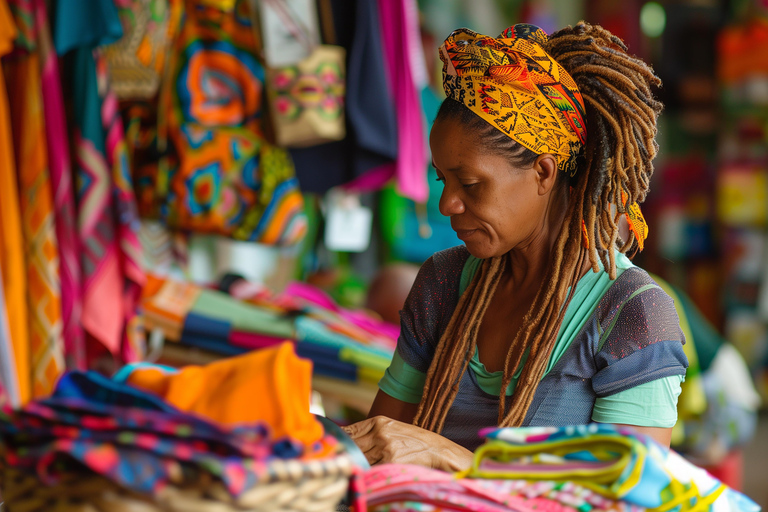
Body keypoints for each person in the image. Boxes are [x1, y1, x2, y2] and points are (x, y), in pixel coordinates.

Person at [343, 22, 689, 471]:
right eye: (441, 180)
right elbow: (381, 448)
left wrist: (453, 460)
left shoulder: (630, 314)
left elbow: (622, 495)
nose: (448, 203)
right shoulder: (443, 283)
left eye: (469, 183)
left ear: (544, 173)